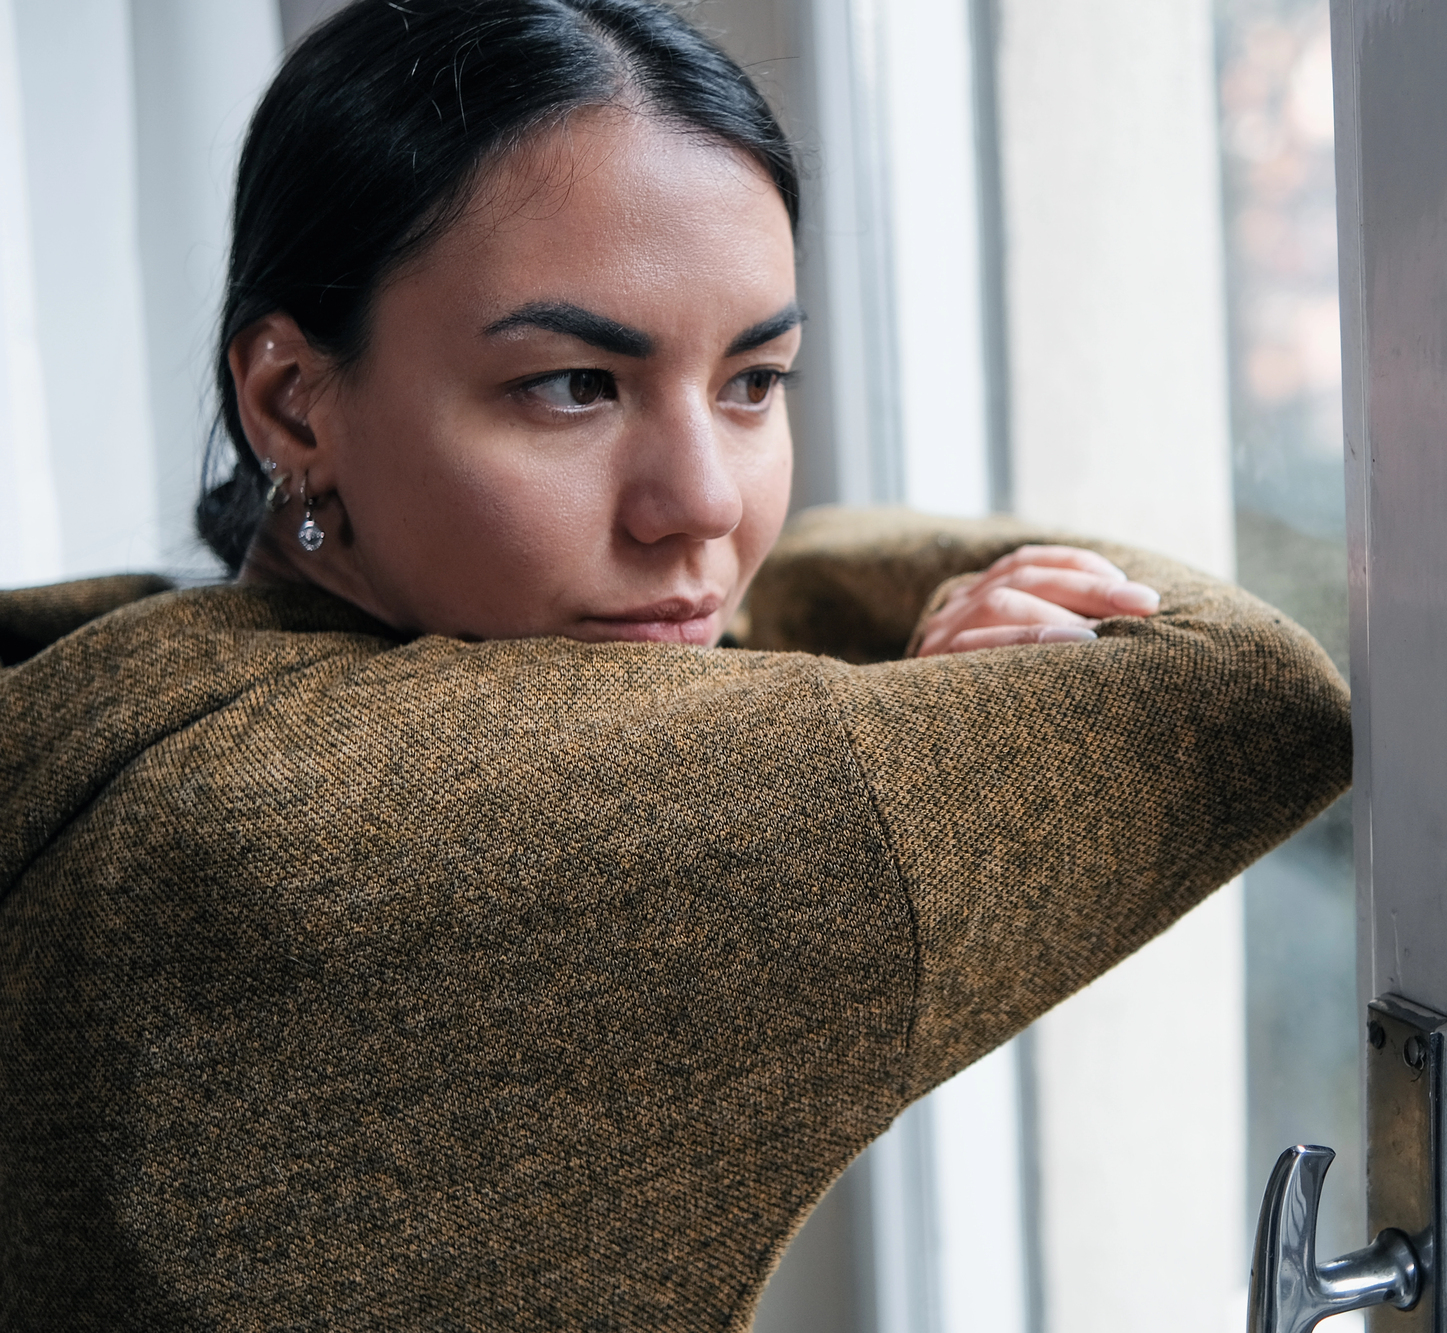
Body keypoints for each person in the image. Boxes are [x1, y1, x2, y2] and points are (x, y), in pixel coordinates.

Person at [0, 1, 1351, 1326]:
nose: (702, 505)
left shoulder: (125, 676)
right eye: (574, 385)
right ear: (293, 400)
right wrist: (929, 624)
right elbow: (1236, 688)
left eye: (756, 380)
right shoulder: (341, 835)